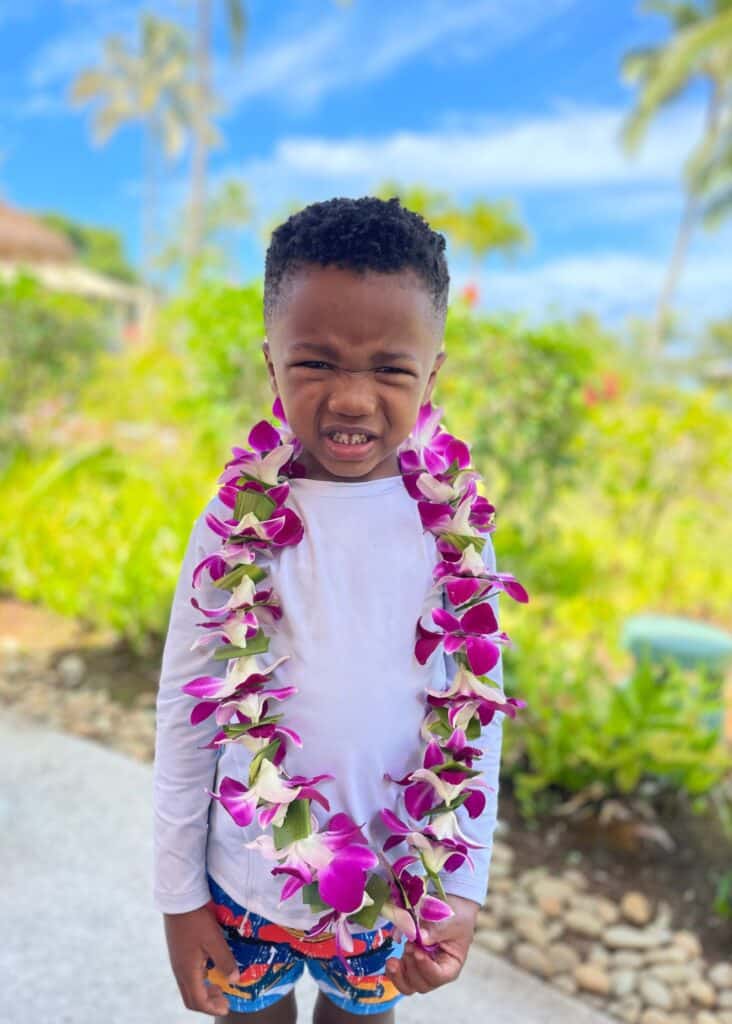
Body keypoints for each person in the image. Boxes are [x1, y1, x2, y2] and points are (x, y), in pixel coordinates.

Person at [153, 195, 508, 1023]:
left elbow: (477, 720)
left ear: (434, 374)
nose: (352, 399)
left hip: (393, 882)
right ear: (273, 364)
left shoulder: (453, 531)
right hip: (245, 881)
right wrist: (178, 899)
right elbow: (185, 712)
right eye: (317, 362)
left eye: (390, 369)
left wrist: (460, 884)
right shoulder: (234, 524)